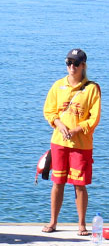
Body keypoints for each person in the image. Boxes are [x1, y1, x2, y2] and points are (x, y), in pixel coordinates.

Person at [42, 48, 101, 235]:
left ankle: (82, 224)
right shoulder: (58, 85)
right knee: (57, 182)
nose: (72, 67)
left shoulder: (92, 89)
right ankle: (53, 222)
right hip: (59, 142)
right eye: (69, 63)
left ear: (83, 66)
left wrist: (76, 130)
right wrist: (59, 124)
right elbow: (49, 111)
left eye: (76, 63)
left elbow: (94, 118)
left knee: (79, 184)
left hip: (81, 145)